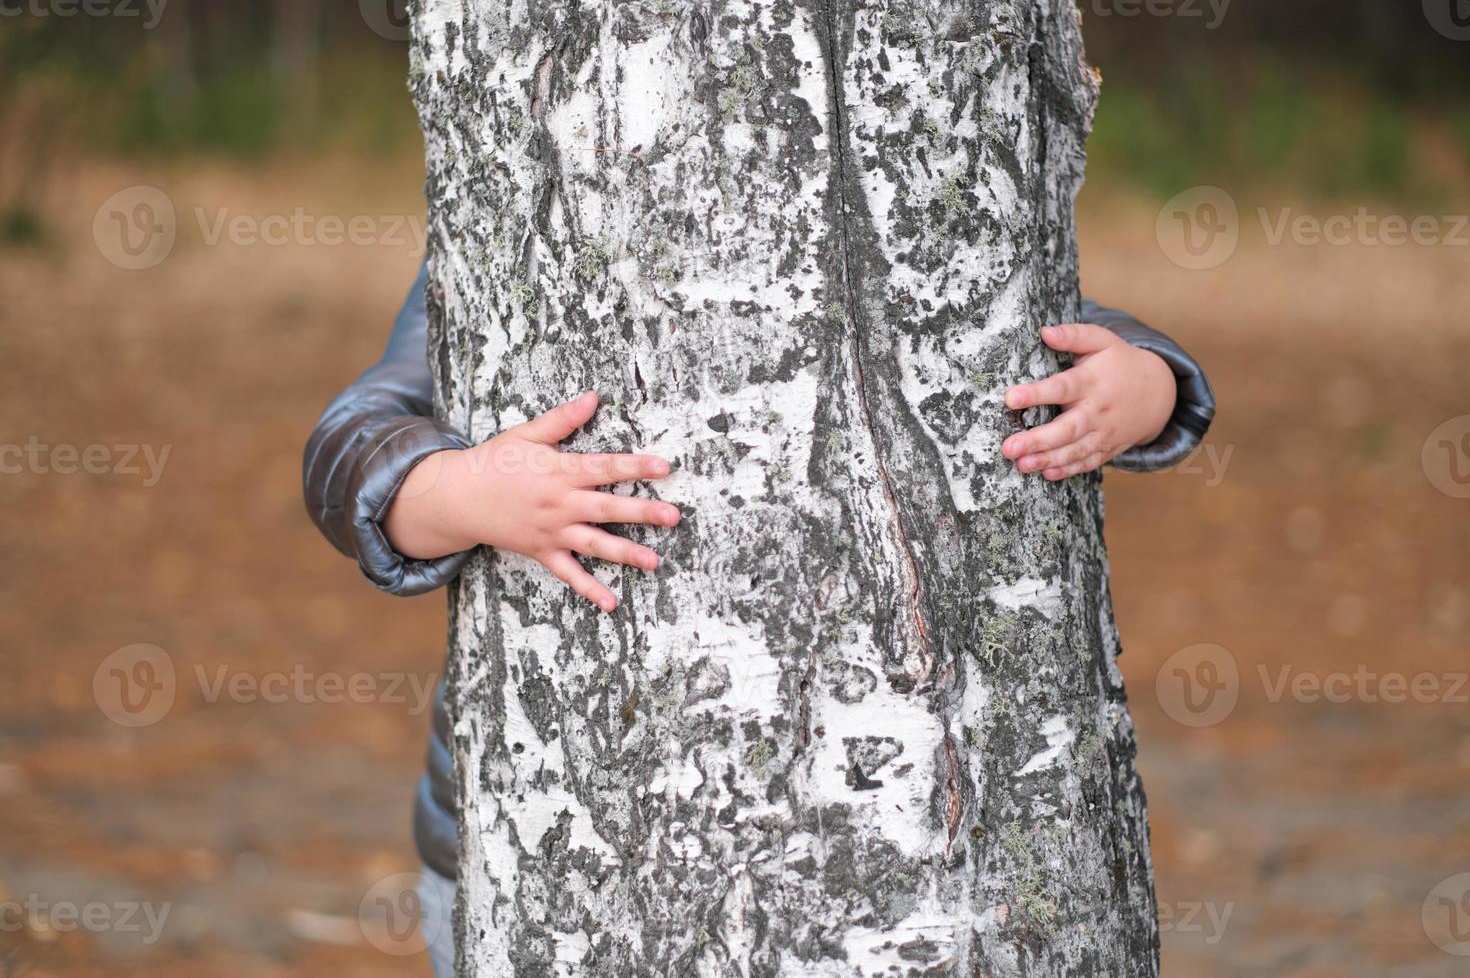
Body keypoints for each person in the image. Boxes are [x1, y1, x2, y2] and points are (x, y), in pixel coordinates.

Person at [302, 257, 1214, 976]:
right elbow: (352, 451)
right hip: (512, 847)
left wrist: (1148, 388)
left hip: (860, 844)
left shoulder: (865, 202)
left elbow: (1039, 310)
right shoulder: (488, 242)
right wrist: (462, 490)